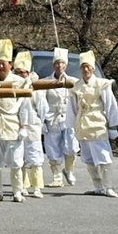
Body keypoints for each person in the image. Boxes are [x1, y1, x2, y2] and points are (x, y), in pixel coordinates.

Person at [0, 39, 31, 202]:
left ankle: (17, 191)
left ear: (10, 64)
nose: (1, 66)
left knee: (15, 161)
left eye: (4, 63)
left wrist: (24, 126)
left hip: (11, 124)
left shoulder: (19, 82)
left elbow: (24, 106)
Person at [69, 51, 118, 197]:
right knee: (88, 159)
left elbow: (110, 105)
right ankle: (98, 186)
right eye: (83, 67)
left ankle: (108, 186)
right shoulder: (76, 86)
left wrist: (113, 126)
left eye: (88, 67)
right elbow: (72, 107)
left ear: (92, 68)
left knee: (103, 158)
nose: (85, 70)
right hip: (82, 124)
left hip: (97, 123)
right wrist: (72, 126)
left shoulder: (101, 84)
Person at [43, 47, 79, 187]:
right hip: (52, 119)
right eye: (57, 63)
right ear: (53, 65)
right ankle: (57, 176)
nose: (60, 66)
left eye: (62, 63)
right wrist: (43, 121)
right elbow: (42, 102)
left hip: (68, 118)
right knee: (53, 148)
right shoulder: (46, 82)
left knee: (71, 146)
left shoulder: (74, 81)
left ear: (66, 65)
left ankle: (69, 170)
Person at [13, 51, 46, 198]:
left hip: (32, 126)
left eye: (24, 72)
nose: (21, 75)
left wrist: (39, 123)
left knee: (35, 157)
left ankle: (37, 186)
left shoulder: (36, 87)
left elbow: (43, 108)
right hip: (16, 125)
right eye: (18, 72)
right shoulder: (13, 85)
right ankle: (23, 185)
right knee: (20, 157)